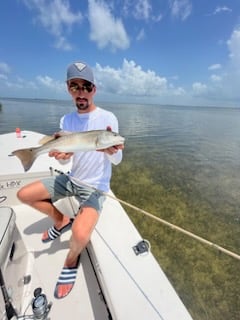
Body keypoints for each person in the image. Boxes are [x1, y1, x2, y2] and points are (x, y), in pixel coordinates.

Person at [17, 61, 124, 299]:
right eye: (75, 86)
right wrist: (62, 156)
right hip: (71, 179)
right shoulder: (67, 120)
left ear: (94, 89)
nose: (81, 92)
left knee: (80, 235)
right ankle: (60, 218)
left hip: (94, 188)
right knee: (23, 195)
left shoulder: (108, 118)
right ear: (68, 89)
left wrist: (113, 150)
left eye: (86, 86)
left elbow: (117, 159)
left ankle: (70, 261)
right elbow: (66, 159)